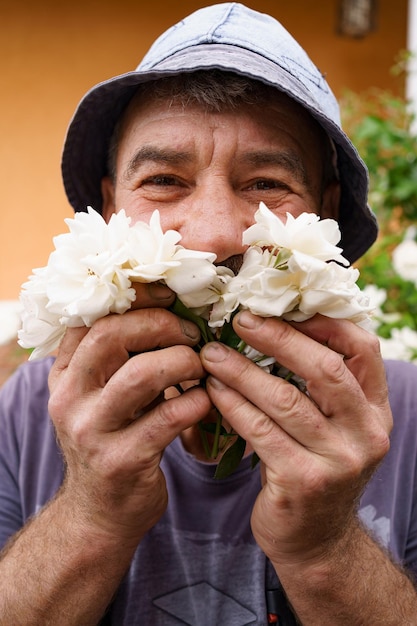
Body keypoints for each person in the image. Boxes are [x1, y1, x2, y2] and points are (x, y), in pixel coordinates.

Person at [1, 3, 417, 624]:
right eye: (165, 179)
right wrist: (92, 513)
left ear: (324, 214)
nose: (215, 236)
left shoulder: (402, 418)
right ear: (112, 205)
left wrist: (323, 547)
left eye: (266, 183)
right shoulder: (31, 411)